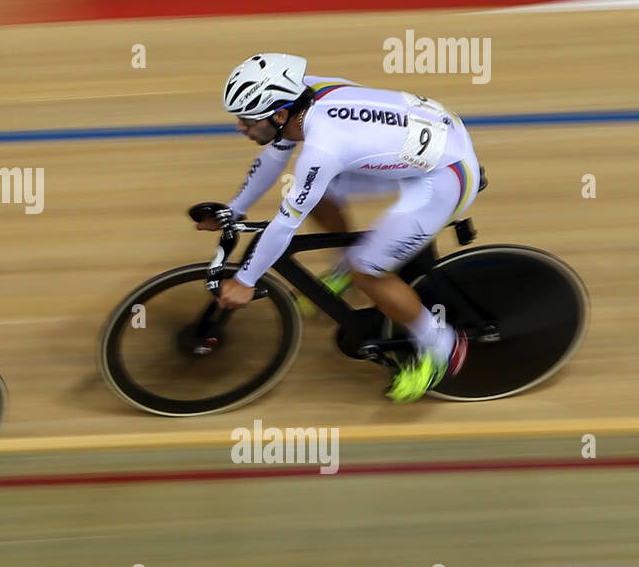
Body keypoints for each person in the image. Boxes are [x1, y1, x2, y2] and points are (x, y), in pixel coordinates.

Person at [202, 53, 480, 402]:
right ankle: (347, 266)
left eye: (246, 120)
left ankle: (443, 347)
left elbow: (286, 224)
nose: (239, 127)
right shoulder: (302, 93)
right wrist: (234, 210)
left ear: (279, 115)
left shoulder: (322, 147)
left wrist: (245, 281)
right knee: (317, 194)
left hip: (443, 177)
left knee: (368, 272)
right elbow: (271, 160)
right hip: (429, 139)